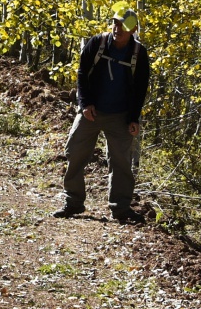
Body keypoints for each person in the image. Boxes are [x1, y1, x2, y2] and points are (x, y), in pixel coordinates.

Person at [55, 11, 151, 223]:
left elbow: (140, 87)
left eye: (123, 26)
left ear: (133, 30)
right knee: (75, 151)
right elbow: (82, 73)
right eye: (115, 24)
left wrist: (134, 118)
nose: (117, 29)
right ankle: (73, 202)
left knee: (121, 162)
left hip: (121, 115)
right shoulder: (97, 43)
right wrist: (85, 103)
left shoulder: (138, 52)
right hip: (92, 111)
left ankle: (121, 209)